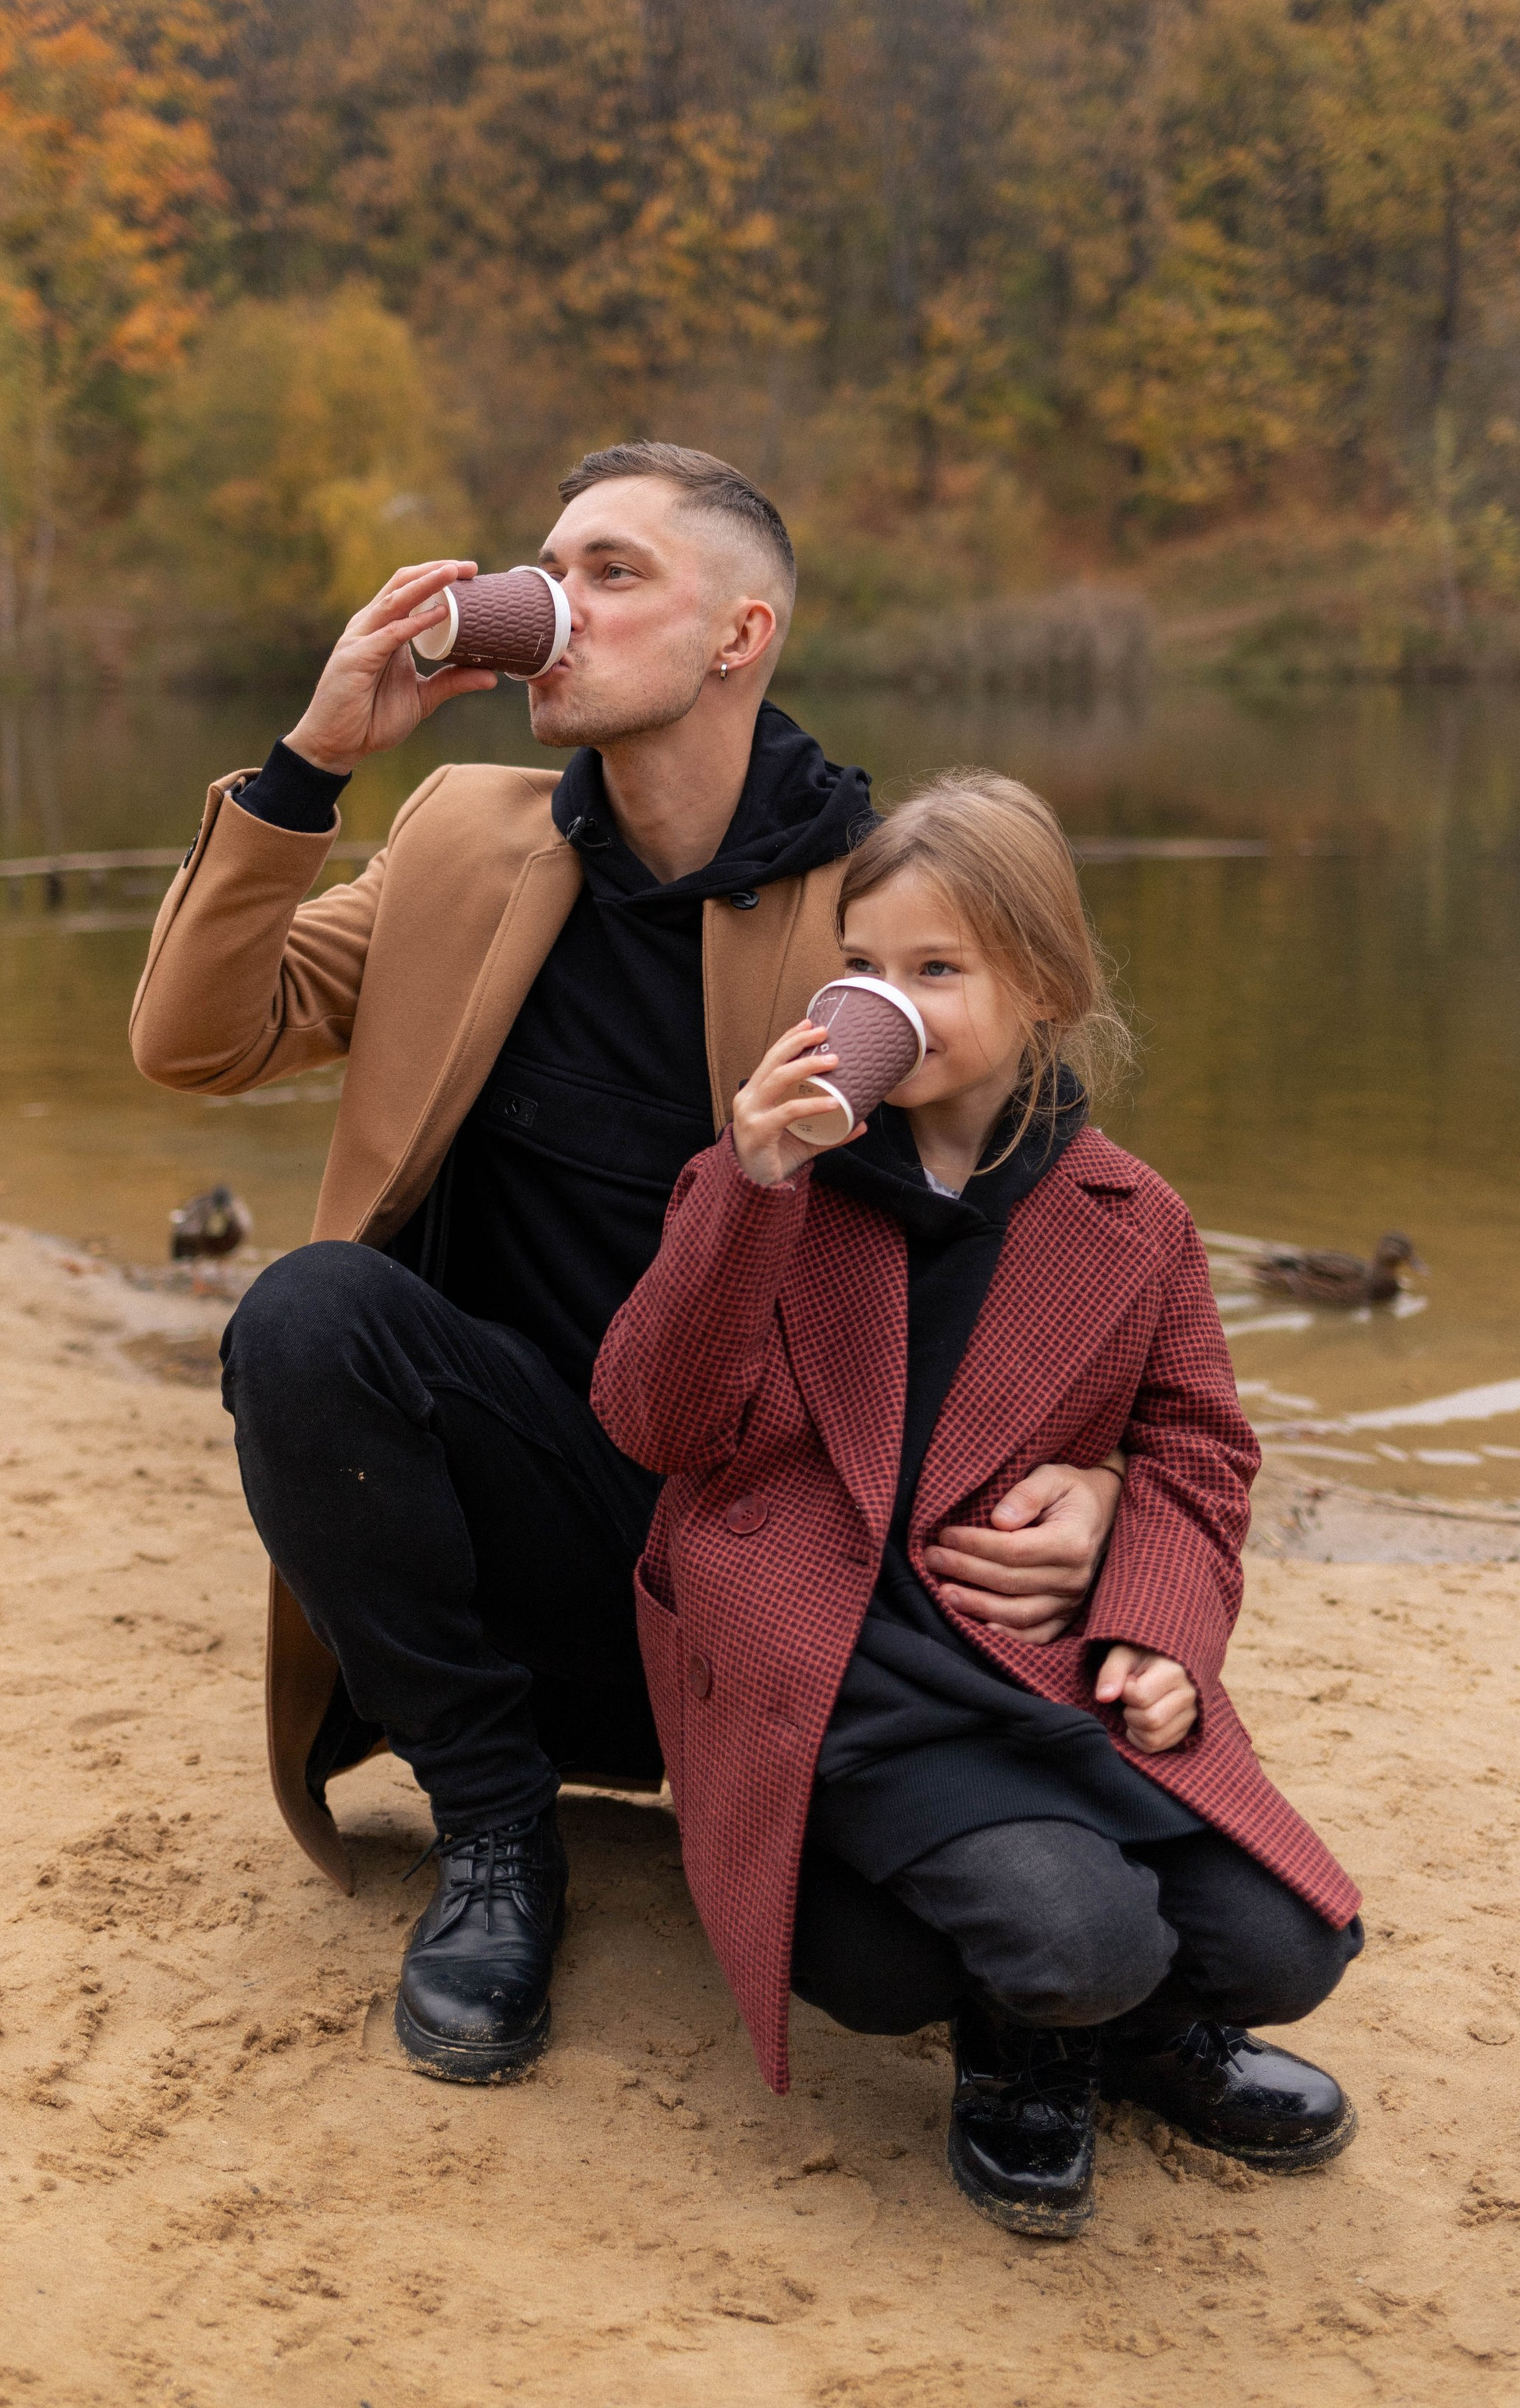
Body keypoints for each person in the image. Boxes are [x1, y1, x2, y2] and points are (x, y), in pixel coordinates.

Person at [130, 445, 1128, 2083]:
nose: (551, 604)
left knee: (946, 1951)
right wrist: (313, 764)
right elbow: (195, 1041)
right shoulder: (462, 838)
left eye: (611, 573)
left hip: (771, 1578)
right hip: (522, 1539)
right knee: (308, 1316)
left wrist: (1100, 1480)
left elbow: (1063, 1246)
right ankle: (492, 1821)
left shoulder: (879, 906)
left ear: (739, 636)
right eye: (548, 567)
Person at [591, 770, 1362, 2235]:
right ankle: (1031, 2049)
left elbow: (1199, 1452)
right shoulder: (765, 1182)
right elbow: (653, 1423)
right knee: (1064, 1941)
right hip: (844, 1668)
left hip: (1033, 1666)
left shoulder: (1134, 1218)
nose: (887, 1001)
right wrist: (754, 1186)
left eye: (936, 970)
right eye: (861, 965)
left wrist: (1156, 1630)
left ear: (1045, 991)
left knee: (1289, 1947)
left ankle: (1117, 2024)